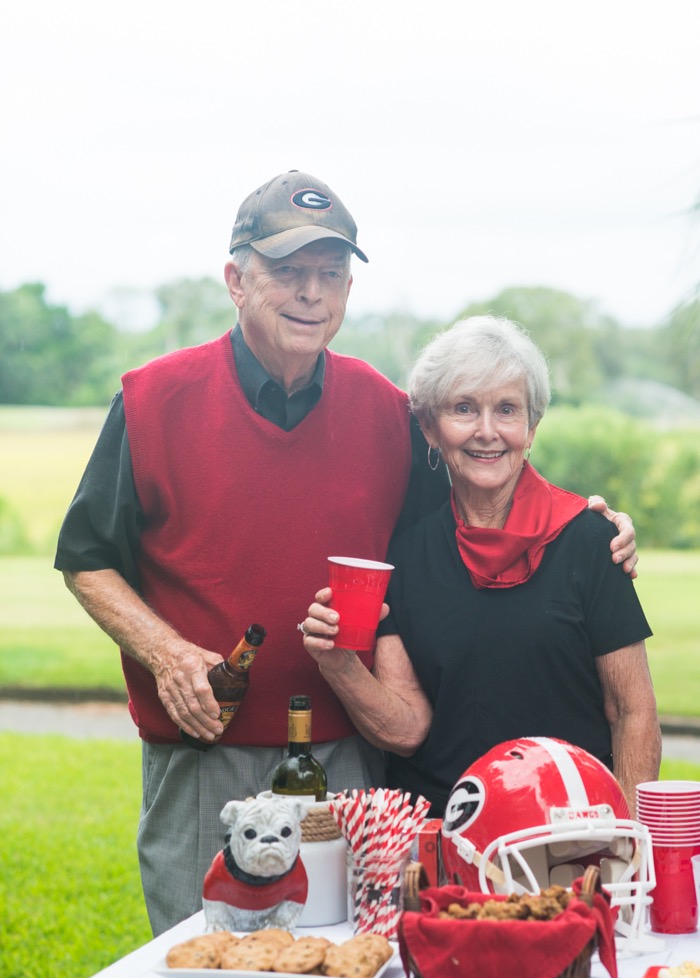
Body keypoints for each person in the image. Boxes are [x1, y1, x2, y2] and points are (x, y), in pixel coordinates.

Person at [54, 173, 637, 934]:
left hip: (355, 756)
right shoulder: (151, 398)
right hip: (205, 755)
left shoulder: (387, 412)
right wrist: (166, 654)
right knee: (201, 970)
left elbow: (480, 499)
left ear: (349, 289)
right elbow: (85, 557)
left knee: (351, 966)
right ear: (236, 280)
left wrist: (588, 522)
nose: (310, 293)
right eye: (287, 271)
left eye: (329, 274)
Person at [301, 315, 660, 819]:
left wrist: (624, 841)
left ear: (532, 428)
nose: (487, 432)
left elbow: (632, 712)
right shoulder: (403, 556)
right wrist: (337, 663)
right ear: (429, 427)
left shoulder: (591, 540)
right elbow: (407, 730)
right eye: (464, 408)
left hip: (570, 834)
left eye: (507, 410)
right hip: (443, 837)